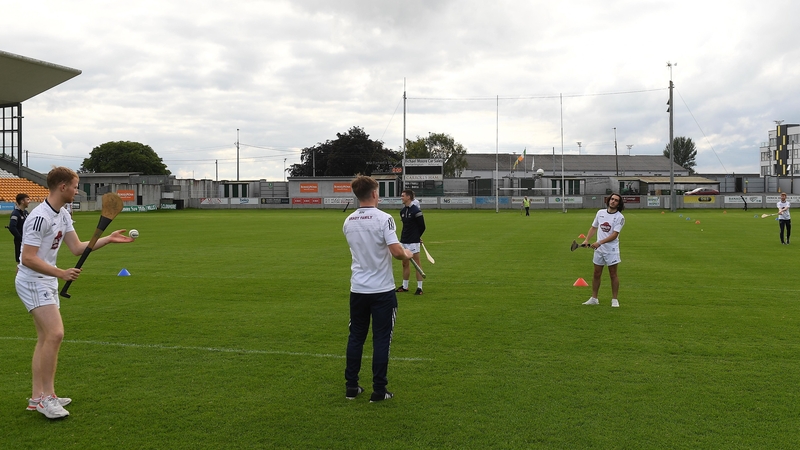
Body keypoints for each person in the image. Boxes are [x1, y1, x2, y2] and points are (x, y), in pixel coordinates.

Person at [16, 167, 134, 419]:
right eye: (75, 185)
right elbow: (27, 258)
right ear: (62, 187)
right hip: (34, 280)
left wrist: (108, 239)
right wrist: (60, 273)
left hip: (45, 280)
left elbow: (78, 248)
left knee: (45, 337)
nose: (77, 190)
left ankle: (38, 397)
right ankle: (47, 398)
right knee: (55, 334)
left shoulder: (63, 214)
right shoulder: (40, 217)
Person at [343, 175, 413, 403]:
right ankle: (379, 390)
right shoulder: (385, 219)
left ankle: (351, 387)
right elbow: (396, 251)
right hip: (381, 291)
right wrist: (407, 253)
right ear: (374, 194)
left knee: (356, 337)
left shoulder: (348, 221)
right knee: (381, 339)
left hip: (358, 289)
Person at [581, 193, 625, 308]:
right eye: (612, 199)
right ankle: (594, 298)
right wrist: (586, 240)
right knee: (596, 273)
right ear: (608, 200)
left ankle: (614, 300)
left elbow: (615, 235)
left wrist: (599, 242)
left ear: (619, 204)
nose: (613, 201)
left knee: (613, 274)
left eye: (616, 200)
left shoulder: (620, 217)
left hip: (611, 250)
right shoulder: (600, 213)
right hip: (599, 250)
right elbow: (594, 227)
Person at [396, 189, 426, 295]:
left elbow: (422, 226)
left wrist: (417, 237)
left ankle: (419, 288)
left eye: (403, 196)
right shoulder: (402, 211)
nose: (401, 197)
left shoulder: (416, 211)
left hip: (413, 241)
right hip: (404, 240)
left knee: (417, 264)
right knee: (404, 263)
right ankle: (405, 286)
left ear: (408, 197)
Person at [9, 193, 31, 270]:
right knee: (20, 263)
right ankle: (18, 281)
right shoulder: (15, 213)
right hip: (20, 242)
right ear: (22, 201)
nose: (29, 201)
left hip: (27, 241)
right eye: (27, 199)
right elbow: (12, 227)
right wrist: (21, 239)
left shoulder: (25, 213)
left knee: (29, 262)